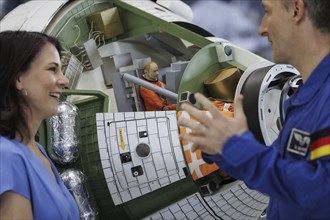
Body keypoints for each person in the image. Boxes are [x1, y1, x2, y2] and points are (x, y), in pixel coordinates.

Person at [178, 0, 330, 219]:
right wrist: (221, 147)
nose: (262, 29)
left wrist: (238, 147)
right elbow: (280, 170)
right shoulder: (308, 98)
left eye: (267, 12)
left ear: (297, 10)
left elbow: (322, 196)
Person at [0, 31, 80, 219]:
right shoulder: (7, 157)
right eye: (53, 69)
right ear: (18, 78)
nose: (64, 80)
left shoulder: (38, 151)